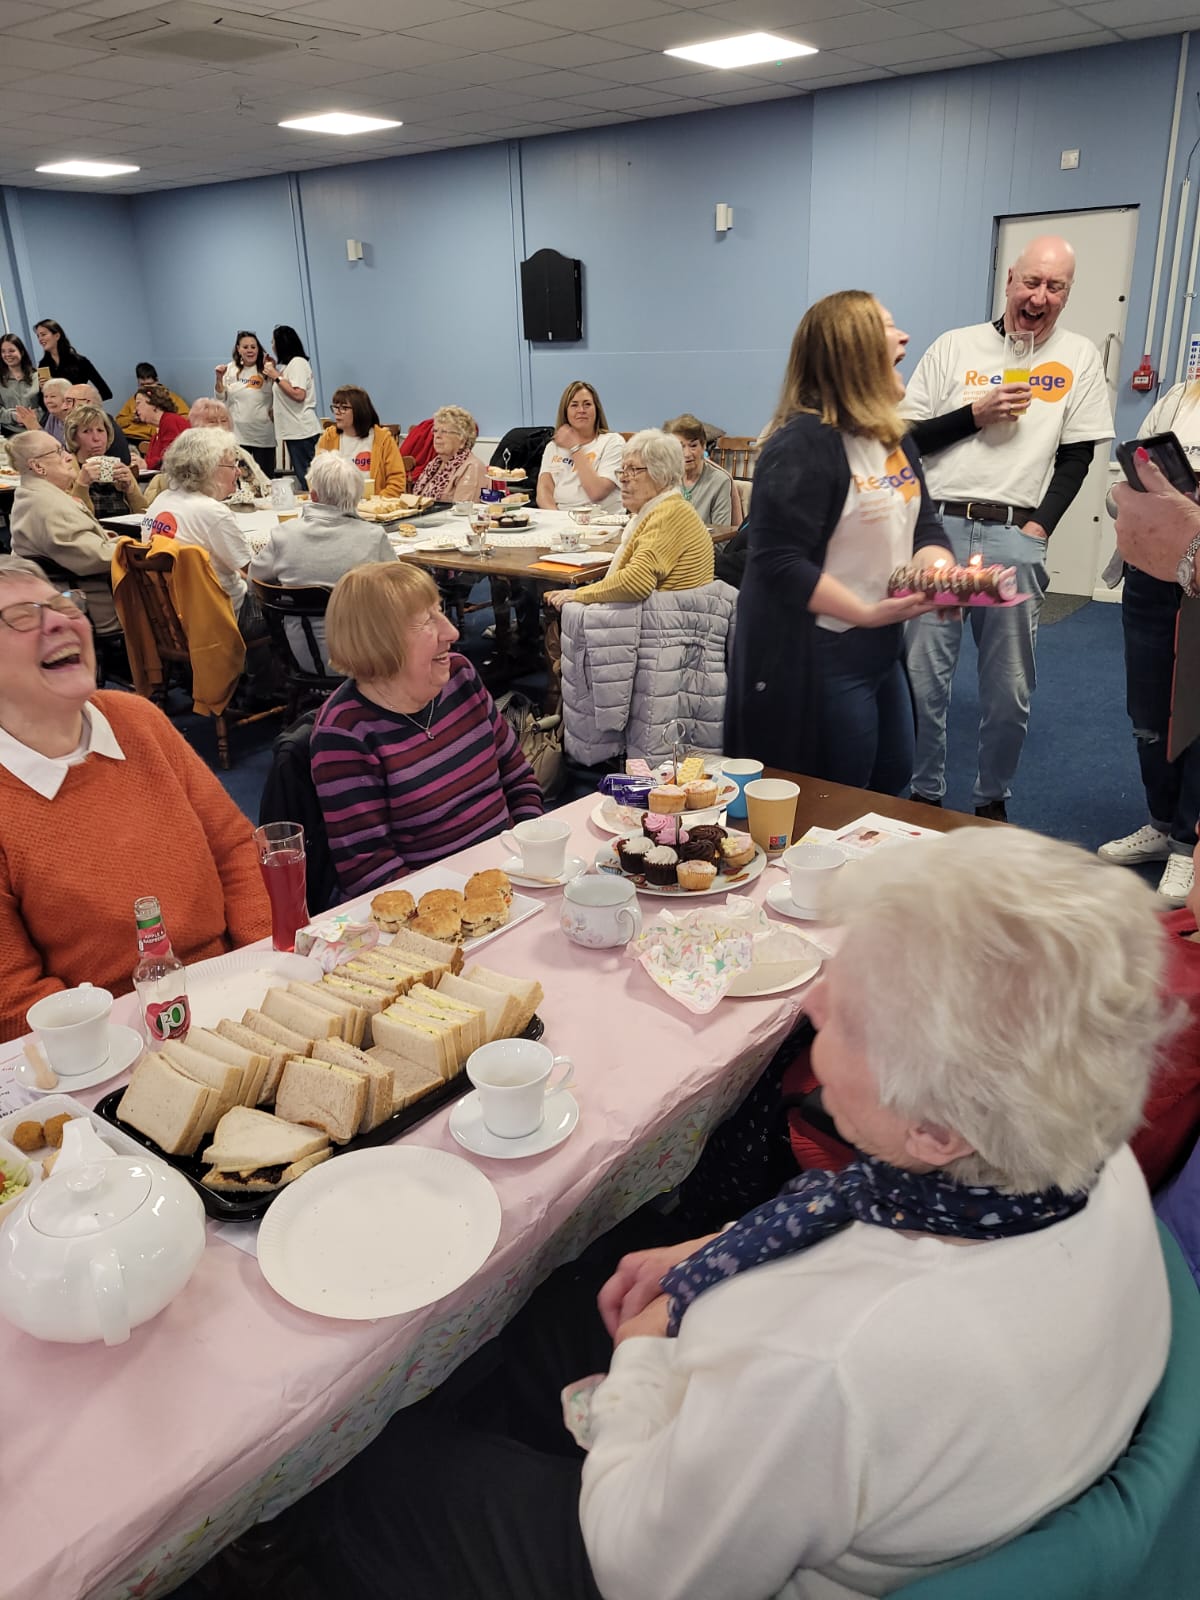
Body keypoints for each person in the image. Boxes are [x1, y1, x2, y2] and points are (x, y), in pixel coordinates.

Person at [309, 826, 1175, 1600]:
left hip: (683, 1556)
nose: (812, 1006)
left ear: (936, 1127)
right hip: (938, 1460)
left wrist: (643, 1364)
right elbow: (859, 1232)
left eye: (857, 1017)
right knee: (554, 1320)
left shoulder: (825, 1365)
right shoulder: (1083, 1161)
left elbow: (643, 1575)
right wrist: (721, 1247)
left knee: (373, 1477)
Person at [0, 555, 270, 1042]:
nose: (61, 621)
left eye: (64, 605)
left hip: (234, 986)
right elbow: (13, 998)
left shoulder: (135, 719)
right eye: (22, 617)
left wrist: (259, 963)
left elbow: (234, 846)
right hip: (110, 1037)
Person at [902, 234, 1114, 820]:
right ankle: (925, 792)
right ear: (1010, 282)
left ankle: (991, 799)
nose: (1040, 296)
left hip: (1012, 541)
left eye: (1055, 286)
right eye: (1032, 282)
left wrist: (1039, 529)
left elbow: (1077, 457)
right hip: (939, 535)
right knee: (923, 678)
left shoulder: (1078, 357)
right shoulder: (954, 347)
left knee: (1008, 690)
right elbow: (905, 439)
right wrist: (975, 415)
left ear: (1067, 294)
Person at [724, 293, 948, 794]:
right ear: (851, 351)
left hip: (879, 650)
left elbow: (926, 526)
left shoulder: (893, 439)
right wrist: (866, 611)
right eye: (888, 326)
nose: (905, 337)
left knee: (889, 784)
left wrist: (938, 572)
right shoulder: (800, 445)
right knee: (832, 804)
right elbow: (778, 564)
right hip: (815, 658)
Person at [310, 563, 544, 897]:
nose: (452, 632)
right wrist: (469, 902)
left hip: (510, 878)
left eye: (440, 611)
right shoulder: (345, 733)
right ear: (380, 641)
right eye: (427, 620)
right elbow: (372, 872)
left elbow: (519, 779)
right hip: (435, 909)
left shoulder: (460, 677)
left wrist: (530, 852)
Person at [1095, 386, 1200, 905]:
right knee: (1148, 710)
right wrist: (1125, 498)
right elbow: (1121, 481)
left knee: (1194, 714)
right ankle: (1161, 822)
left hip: (1199, 577)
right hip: (1148, 573)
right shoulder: (1180, 398)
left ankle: (1189, 844)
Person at [250, 452, 394, 670]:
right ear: (358, 495)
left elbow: (254, 583)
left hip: (303, 656)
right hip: (365, 656)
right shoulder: (374, 537)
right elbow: (400, 595)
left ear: (313, 495)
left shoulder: (284, 535)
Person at [545, 430, 714, 611]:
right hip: (667, 620)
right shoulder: (665, 508)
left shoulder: (670, 513)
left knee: (567, 607)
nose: (623, 479)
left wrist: (580, 594)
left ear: (662, 475)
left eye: (633, 470)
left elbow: (636, 582)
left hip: (666, 627)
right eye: (622, 469)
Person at [8, 431, 120, 633]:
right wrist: (132, 544)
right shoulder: (49, 506)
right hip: (98, 608)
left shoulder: (31, 495)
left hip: (70, 598)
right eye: (58, 451)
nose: (68, 456)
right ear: (37, 466)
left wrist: (111, 539)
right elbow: (97, 557)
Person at [141, 429, 253, 623]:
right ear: (210, 468)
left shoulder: (161, 500)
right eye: (232, 464)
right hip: (219, 617)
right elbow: (255, 571)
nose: (239, 471)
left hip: (170, 616)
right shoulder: (211, 511)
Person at [537, 381, 623, 512]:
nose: (581, 410)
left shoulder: (613, 442)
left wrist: (574, 447)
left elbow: (596, 492)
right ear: (565, 412)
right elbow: (544, 491)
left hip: (600, 520)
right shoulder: (553, 446)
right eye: (574, 405)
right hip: (561, 518)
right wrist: (556, 518)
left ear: (597, 409)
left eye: (587, 404)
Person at [315, 385, 406, 494]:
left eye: (343, 408)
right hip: (338, 506)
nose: (337, 412)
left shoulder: (383, 440)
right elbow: (316, 477)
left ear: (359, 411)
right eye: (335, 407)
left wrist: (374, 503)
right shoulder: (328, 439)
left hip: (374, 506)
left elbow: (397, 482)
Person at [65, 404, 146, 521]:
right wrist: (82, 485)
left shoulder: (118, 466)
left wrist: (131, 490)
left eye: (100, 430)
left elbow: (144, 515)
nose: (96, 438)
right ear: (73, 437)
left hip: (125, 534)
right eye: (87, 431)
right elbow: (72, 519)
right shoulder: (66, 469)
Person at [214, 331, 277, 478]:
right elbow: (220, 397)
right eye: (246, 347)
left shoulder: (267, 369)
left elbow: (278, 394)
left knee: (265, 480)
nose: (250, 350)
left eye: (253, 347)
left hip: (263, 436)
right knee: (242, 482)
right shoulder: (229, 369)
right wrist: (218, 379)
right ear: (238, 349)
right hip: (238, 436)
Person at [265, 324, 319, 488]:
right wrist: (276, 371)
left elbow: (298, 394)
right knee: (304, 477)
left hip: (302, 431)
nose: (272, 346)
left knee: (308, 478)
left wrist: (276, 376)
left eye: (273, 342)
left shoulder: (298, 363)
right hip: (294, 431)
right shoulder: (288, 366)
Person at [663, 413, 733, 525]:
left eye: (693, 446)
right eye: (680, 447)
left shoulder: (719, 481)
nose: (687, 454)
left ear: (703, 445)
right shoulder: (665, 478)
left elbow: (723, 535)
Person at [413, 406, 489, 502]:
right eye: (435, 431)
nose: (437, 436)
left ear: (462, 440)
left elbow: (462, 511)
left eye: (444, 431)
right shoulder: (434, 464)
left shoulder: (472, 467)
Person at [32, 319, 110, 400]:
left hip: (78, 411)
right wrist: (42, 390)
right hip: (56, 412)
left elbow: (106, 393)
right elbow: (42, 401)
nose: (40, 339)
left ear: (57, 336)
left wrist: (83, 404)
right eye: (38, 336)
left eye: (43, 334)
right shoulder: (43, 364)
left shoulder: (80, 361)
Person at [61, 381, 134, 465]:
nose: (63, 407)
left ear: (88, 403)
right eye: (86, 431)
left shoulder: (109, 425)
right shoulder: (67, 466)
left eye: (69, 401)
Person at [115, 362, 189, 445]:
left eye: (149, 384)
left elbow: (185, 419)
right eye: (142, 385)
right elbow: (118, 422)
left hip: (152, 439)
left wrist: (160, 421)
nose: (146, 388)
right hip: (131, 437)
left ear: (156, 381)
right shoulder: (134, 399)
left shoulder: (171, 398)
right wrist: (133, 418)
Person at [133, 383, 190, 471]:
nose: (135, 409)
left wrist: (145, 464)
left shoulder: (170, 421)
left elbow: (171, 459)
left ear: (152, 402)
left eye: (138, 403)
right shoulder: (157, 432)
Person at [0, 334, 42, 437]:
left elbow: (46, 404)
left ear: (21, 352)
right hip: (10, 435)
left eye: (11, 351)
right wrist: (14, 417)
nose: (7, 355)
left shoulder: (38, 376)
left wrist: (33, 417)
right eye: (3, 351)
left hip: (38, 431)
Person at [16, 376, 72, 444]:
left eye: (53, 396)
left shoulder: (76, 420)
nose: (48, 401)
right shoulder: (52, 415)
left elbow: (60, 450)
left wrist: (35, 427)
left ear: (67, 398)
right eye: (46, 396)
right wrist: (30, 426)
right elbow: (45, 443)